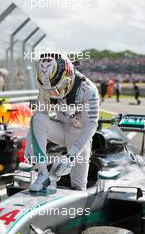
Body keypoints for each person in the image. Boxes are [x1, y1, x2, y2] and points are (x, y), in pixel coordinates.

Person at [24, 53, 99, 191]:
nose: (52, 93)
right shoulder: (45, 85)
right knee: (38, 118)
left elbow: (91, 125)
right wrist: (28, 145)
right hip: (60, 129)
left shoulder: (89, 89)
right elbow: (39, 115)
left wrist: (71, 156)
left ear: (68, 77)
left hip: (79, 134)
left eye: (56, 89)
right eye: (49, 90)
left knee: (78, 185)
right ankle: (42, 174)